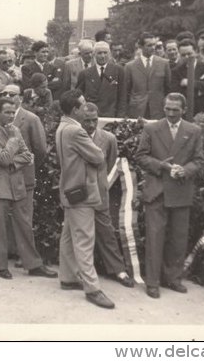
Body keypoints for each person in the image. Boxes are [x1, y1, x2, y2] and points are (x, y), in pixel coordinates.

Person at [134, 93, 204, 299]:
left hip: (181, 190)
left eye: (176, 110)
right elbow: (140, 156)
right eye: (167, 109)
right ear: (163, 108)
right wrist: (161, 166)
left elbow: (199, 160)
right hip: (157, 190)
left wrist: (186, 170)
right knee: (155, 238)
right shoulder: (151, 128)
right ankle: (153, 282)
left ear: (184, 110)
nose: (171, 114)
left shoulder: (194, 131)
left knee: (178, 238)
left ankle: (173, 278)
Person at [0, 98, 57, 280]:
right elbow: (4, 158)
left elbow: (28, 155)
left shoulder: (14, 130)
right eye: (7, 112)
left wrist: (13, 164)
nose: (11, 116)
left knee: (24, 225)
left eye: (13, 112)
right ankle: (0, 266)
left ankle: (33, 264)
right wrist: (14, 141)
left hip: (17, 184)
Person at [55, 90, 115, 309]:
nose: (85, 107)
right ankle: (92, 288)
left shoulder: (63, 126)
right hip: (82, 192)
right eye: (82, 106)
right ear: (74, 110)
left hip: (69, 190)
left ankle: (68, 277)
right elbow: (99, 157)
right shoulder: (76, 131)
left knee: (69, 237)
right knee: (84, 240)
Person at [79, 103, 135, 288]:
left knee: (106, 230)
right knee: (78, 230)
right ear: (80, 119)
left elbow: (110, 165)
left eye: (94, 120)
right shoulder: (74, 135)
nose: (90, 124)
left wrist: (99, 183)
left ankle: (117, 269)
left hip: (99, 192)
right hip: (77, 191)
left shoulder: (109, 138)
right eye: (86, 120)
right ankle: (77, 270)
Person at [0, 84, 47, 263]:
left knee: (24, 216)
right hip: (3, 175)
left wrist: (28, 166)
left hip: (23, 175)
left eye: (12, 94)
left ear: (20, 97)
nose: (8, 96)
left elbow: (40, 149)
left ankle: (23, 255)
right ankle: (10, 250)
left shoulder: (31, 119)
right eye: (4, 94)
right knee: (6, 215)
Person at [124, 32, 172, 119]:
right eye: (149, 45)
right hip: (137, 110)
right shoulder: (130, 66)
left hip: (158, 109)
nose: (153, 48)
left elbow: (168, 88)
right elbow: (126, 92)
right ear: (141, 46)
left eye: (154, 45)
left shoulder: (164, 63)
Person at [76, 41, 127, 118]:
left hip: (111, 115)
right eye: (99, 53)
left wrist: (120, 116)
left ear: (109, 54)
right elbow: (79, 96)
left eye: (105, 53)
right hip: (92, 116)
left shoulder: (118, 71)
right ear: (94, 55)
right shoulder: (85, 73)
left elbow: (122, 96)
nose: (103, 56)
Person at [171, 39, 204, 117]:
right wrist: (201, 89)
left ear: (196, 51)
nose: (187, 57)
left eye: (189, 54)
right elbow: (176, 92)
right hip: (186, 111)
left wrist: (190, 83)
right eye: (183, 55)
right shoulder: (176, 71)